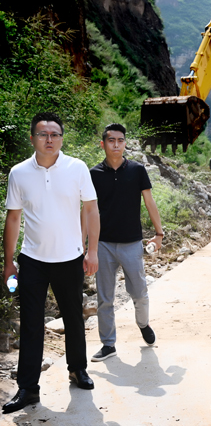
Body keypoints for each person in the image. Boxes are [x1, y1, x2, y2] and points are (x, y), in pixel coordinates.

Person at [2, 112, 99, 414]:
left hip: (70, 258)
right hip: (32, 260)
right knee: (32, 325)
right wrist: (9, 263)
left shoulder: (77, 168)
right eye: (43, 134)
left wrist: (91, 251)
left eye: (55, 134)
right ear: (32, 138)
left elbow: (91, 209)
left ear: (61, 138)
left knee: (73, 317)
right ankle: (28, 389)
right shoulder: (19, 173)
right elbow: (14, 218)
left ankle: (77, 369)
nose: (49, 139)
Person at [89, 123, 163, 362]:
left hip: (132, 243)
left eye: (120, 140)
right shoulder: (94, 174)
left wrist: (159, 233)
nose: (116, 144)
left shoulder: (137, 170)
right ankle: (108, 344)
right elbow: (87, 211)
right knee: (105, 299)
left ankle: (143, 324)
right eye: (111, 140)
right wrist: (84, 245)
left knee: (139, 292)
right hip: (103, 244)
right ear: (103, 144)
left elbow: (150, 203)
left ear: (125, 143)